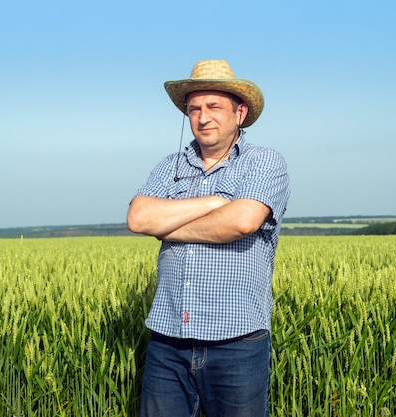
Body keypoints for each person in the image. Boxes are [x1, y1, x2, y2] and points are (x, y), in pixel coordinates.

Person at [127, 60, 290, 417]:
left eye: (214, 107)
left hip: (237, 344)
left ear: (240, 112)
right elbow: (138, 218)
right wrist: (214, 203)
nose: (203, 117)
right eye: (195, 109)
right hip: (167, 342)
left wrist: (167, 225)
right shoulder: (170, 166)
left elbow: (243, 221)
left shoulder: (263, 162)